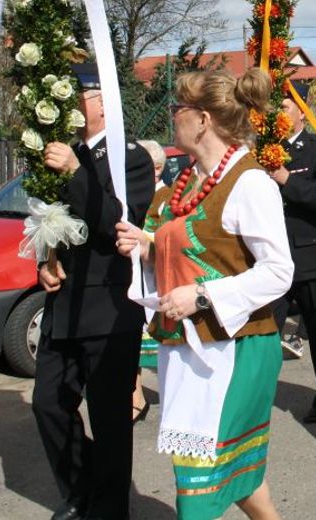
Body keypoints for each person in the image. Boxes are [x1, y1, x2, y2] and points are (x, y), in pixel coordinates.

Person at [115, 68, 292, 520]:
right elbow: (186, 252)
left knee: (201, 483)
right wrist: (147, 246)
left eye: (180, 109)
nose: (172, 116)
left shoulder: (250, 183)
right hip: (188, 350)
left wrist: (204, 296)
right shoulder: (183, 183)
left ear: (204, 120)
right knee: (231, 473)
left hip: (235, 350)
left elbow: (278, 271)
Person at [32, 63, 155, 520]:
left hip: (108, 306)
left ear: (103, 102)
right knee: (48, 404)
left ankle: (108, 509)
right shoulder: (58, 155)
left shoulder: (131, 158)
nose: (71, 106)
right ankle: (81, 487)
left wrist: (76, 171)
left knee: (109, 420)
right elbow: (45, 219)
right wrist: (42, 264)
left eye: (79, 95)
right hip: (62, 301)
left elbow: (120, 222)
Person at [268, 82, 316, 424]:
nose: (278, 116)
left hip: (311, 259)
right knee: (263, 332)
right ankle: (257, 397)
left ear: (301, 111)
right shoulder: (260, 150)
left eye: (283, 108)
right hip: (270, 259)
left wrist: (287, 179)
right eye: (273, 111)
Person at [134, 138, 170, 422]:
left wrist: (146, 243)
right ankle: (135, 397)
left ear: (157, 168)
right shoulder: (133, 195)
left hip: (155, 280)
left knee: (163, 346)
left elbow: (168, 240)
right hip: (132, 278)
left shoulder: (167, 198)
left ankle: (173, 398)